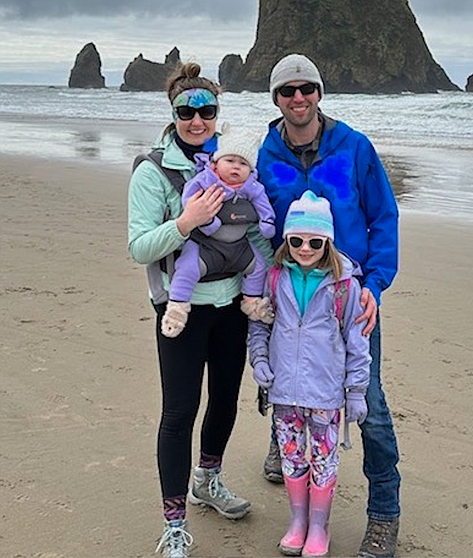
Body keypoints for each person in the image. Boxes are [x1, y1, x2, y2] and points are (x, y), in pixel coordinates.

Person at [256, 54, 400, 558]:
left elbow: (384, 216)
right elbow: (255, 221)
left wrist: (374, 284)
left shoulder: (355, 147)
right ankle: (283, 444)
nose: (298, 98)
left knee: (370, 407)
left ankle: (384, 513)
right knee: (285, 383)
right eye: (287, 90)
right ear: (275, 98)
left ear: (320, 92)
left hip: (347, 296)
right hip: (288, 296)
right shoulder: (265, 154)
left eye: (307, 88)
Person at [128, 62, 271, 558]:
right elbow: (139, 248)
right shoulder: (152, 171)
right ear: (173, 113)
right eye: (186, 112)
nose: (196, 121)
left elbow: (254, 227)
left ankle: (207, 480)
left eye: (206, 111)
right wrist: (186, 221)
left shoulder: (233, 162)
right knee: (179, 412)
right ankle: (174, 524)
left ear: (216, 114)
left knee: (225, 400)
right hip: (181, 308)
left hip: (232, 304)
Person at [248, 190, 372, 557]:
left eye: (315, 241)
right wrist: (259, 360)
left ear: (327, 242)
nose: (305, 248)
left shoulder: (345, 286)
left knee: (323, 460)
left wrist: (356, 390)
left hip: (325, 394)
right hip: (284, 390)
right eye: (297, 240)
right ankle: (298, 522)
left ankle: (319, 526)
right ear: (286, 239)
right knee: (291, 457)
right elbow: (259, 326)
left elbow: (357, 340)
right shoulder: (274, 279)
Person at [161, 125, 276, 337]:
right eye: (230, 161)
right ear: (216, 162)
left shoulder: (252, 186)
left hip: (239, 248)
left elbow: (263, 205)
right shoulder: (206, 179)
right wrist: (208, 222)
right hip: (206, 246)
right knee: (186, 268)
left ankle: (251, 302)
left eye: (243, 164)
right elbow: (189, 199)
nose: (236, 167)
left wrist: (267, 222)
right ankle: (177, 308)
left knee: (258, 267)